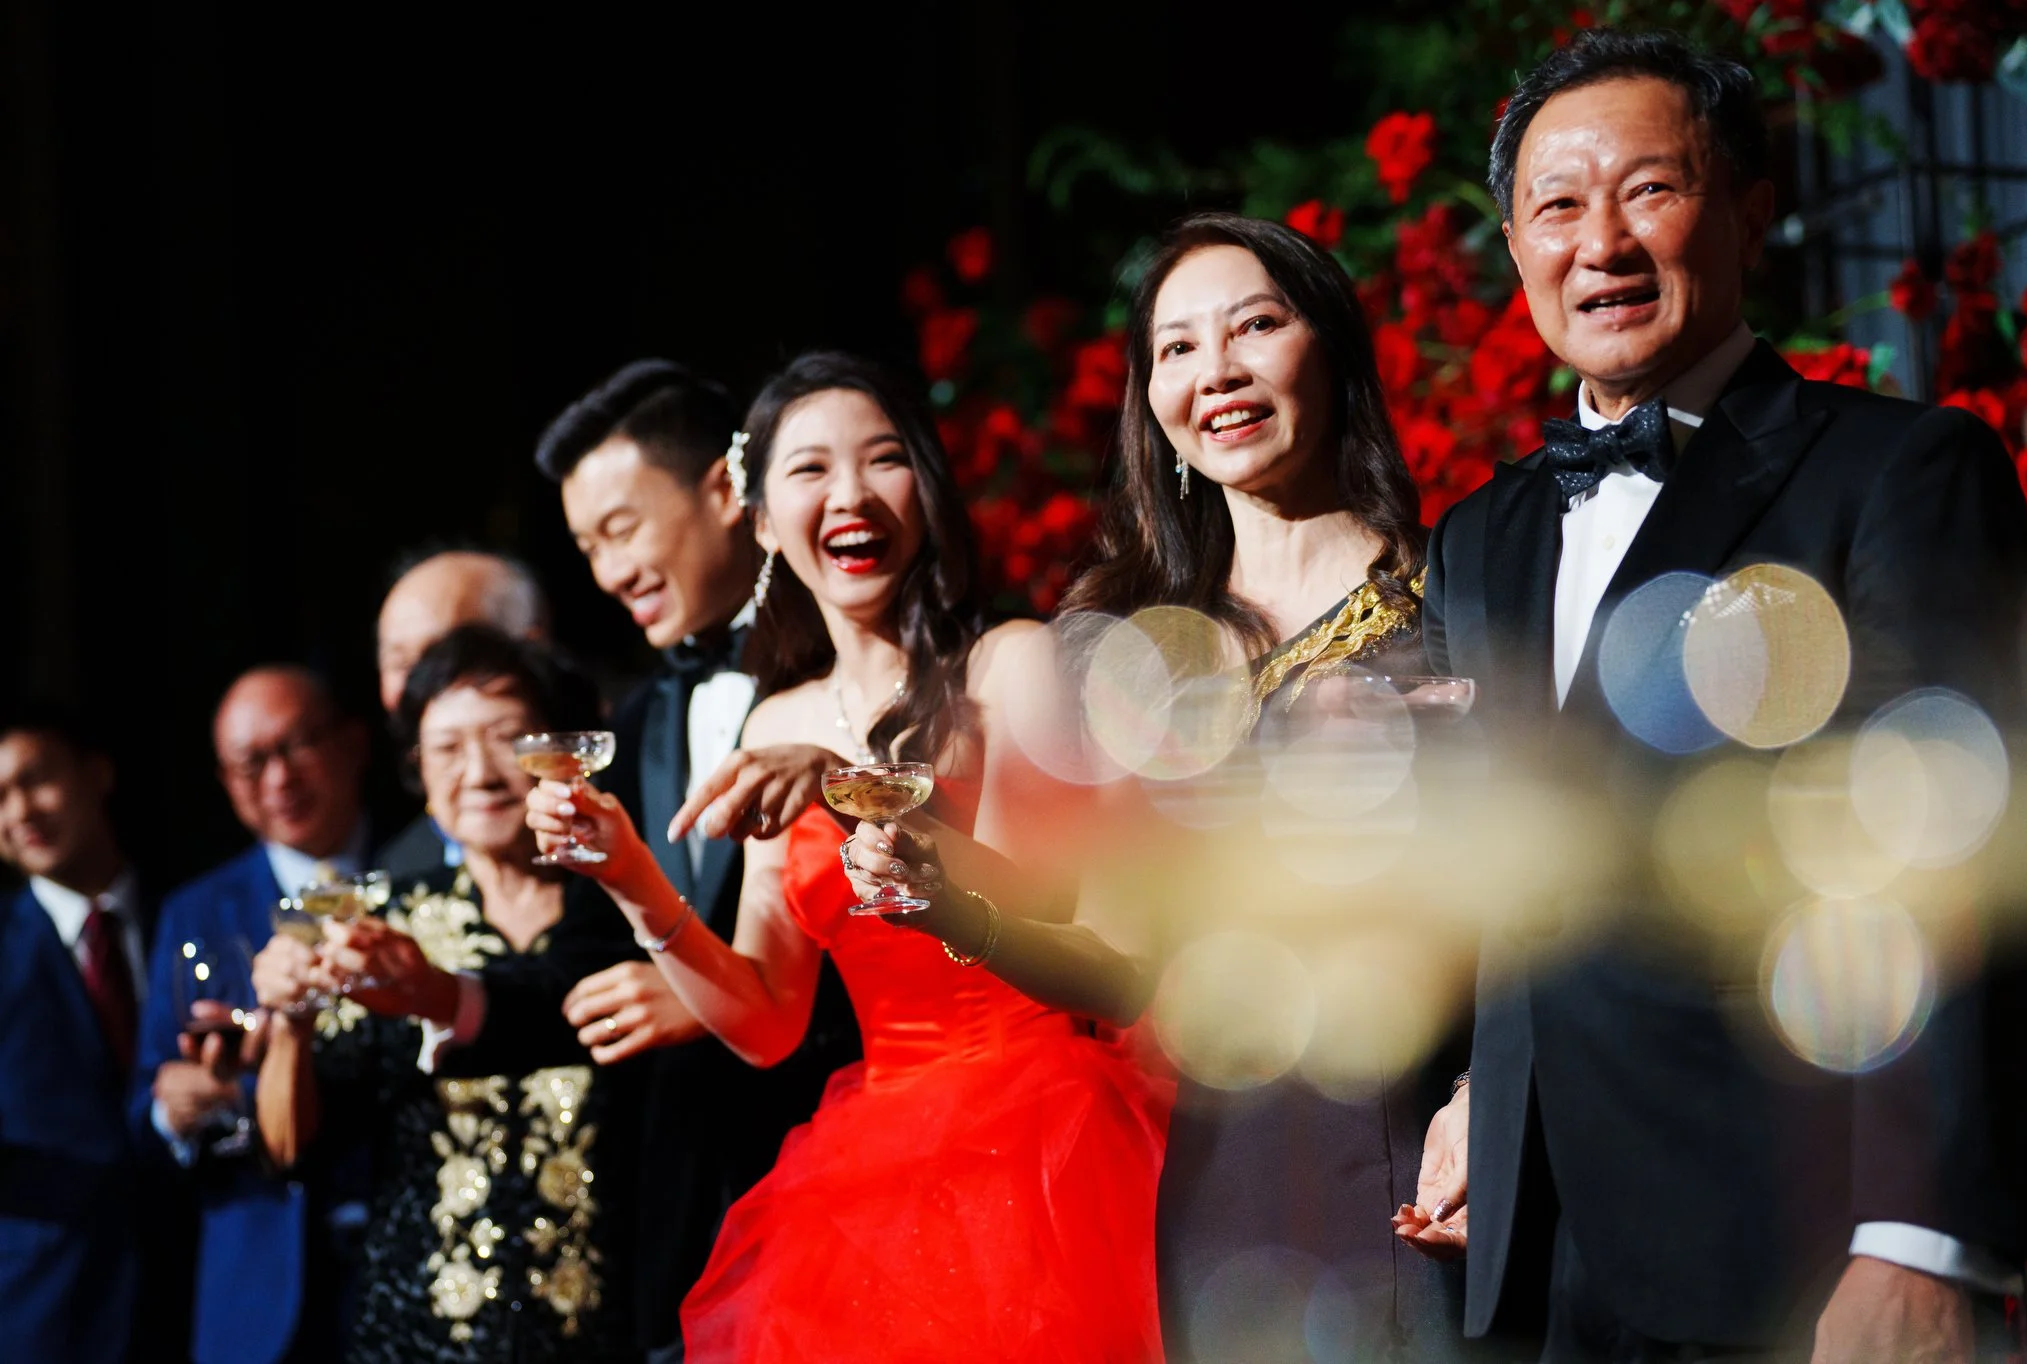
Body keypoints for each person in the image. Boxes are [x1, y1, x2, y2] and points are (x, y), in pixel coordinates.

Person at [1417, 28, 2027, 1363]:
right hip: (1533, 1260)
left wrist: (1919, 1238)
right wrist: (1482, 1088)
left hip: (1794, 1248)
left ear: (1750, 211)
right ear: (1515, 246)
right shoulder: (1477, 537)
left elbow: (1955, 866)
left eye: (1649, 189)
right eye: (1556, 206)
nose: (1601, 242)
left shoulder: (1898, 473)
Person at [844, 212, 1470, 1361]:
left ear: (1330, 348)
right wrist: (949, 904)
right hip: (1232, 1183)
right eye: (1176, 347)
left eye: (1254, 326)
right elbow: (1119, 962)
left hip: (1433, 1157)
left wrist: (1492, 1088)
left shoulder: (1462, 594)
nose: (1214, 369)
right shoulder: (1127, 656)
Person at [527, 350, 1172, 1362]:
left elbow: (1045, 898)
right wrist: (629, 875)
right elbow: (766, 1019)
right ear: (759, 519)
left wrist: (846, 785)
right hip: (873, 1167)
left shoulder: (1009, 662)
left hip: (1049, 1134)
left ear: (925, 486)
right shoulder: (773, 720)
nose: (850, 494)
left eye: (883, 459)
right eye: (809, 469)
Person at [425, 359, 857, 1364]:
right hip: (688, 1220)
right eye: (586, 547)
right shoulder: (638, 715)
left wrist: (711, 991)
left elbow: (912, 930)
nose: (607, 572)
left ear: (725, 490)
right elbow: (585, 966)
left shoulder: (852, 671)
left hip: (843, 1170)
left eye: (620, 529)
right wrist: (441, 995)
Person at [252, 626, 641, 1361]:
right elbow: (293, 1153)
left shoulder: (629, 905)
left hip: (614, 1330)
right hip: (416, 1330)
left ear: (562, 753)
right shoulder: (380, 923)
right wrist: (291, 1020)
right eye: (448, 749)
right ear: (418, 772)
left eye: (506, 739)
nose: (481, 773)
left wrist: (434, 992)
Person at [134, 665, 373, 1364]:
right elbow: (147, 1103)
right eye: (250, 763)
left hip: (412, 1260)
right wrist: (174, 1109)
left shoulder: (422, 867)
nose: (279, 779)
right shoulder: (197, 909)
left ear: (353, 743)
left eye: (296, 745)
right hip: (259, 1290)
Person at [0, 709, 190, 1364]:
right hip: (45, 1311)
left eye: (36, 779)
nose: (19, 811)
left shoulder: (192, 909)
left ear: (97, 774)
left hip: (200, 1298)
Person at [374, 547, 552, 883]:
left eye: (441, 657)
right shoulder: (401, 872)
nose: (419, 688)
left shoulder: (633, 823)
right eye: (399, 662)